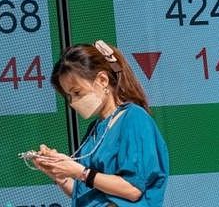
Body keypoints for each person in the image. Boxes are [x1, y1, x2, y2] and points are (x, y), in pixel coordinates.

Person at [32, 40, 169, 206]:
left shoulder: (134, 118)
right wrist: (59, 174)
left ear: (103, 80)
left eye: (77, 92)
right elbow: (85, 192)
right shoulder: (95, 129)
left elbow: (133, 189)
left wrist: (79, 171)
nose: (73, 102)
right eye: (69, 96)